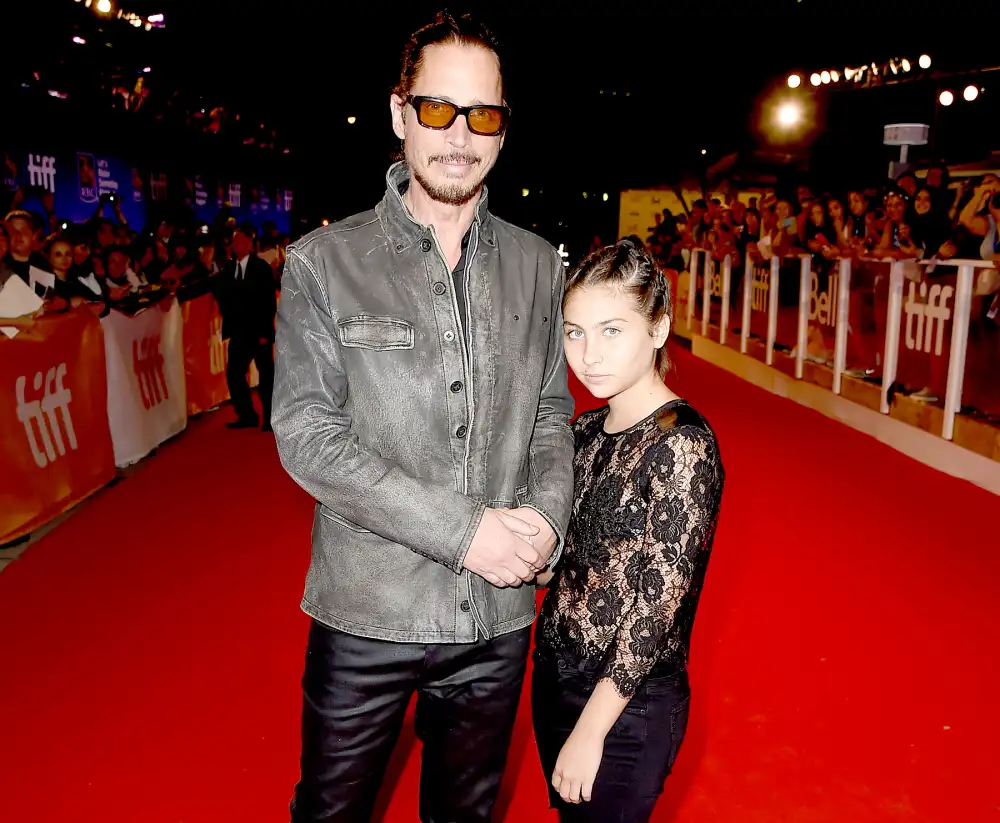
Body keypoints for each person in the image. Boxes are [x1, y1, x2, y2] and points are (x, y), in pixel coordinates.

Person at [271, 11, 575, 823]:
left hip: (497, 614)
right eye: (438, 110)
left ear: (504, 131)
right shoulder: (321, 265)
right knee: (330, 811)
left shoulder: (540, 264)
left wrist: (545, 520)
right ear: (400, 113)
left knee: (466, 815)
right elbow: (307, 435)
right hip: (365, 611)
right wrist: (465, 529)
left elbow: (551, 409)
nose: (459, 137)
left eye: (483, 117)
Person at [532, 236, 725, 823]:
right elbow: (567, 566)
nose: (588, 355)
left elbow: (654, 612)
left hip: (627, 702)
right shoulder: (585, 431)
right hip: (554, 678)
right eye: (575, 332)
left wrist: (591, 732)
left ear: (660, 327)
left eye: (611, 330)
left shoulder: (682, 445)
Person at [215, 222, 276, 430]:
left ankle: (271, 419)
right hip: (238, 333)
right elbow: (215, 288)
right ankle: (246, 415)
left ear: (250, 243)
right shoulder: (228, 268)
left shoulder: (261, 268)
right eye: (235, 241)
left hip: (259, 333)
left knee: (266, 377)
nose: (238, 244)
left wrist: (266, 333)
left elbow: (269, 302)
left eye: (242, 240)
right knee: (234, 374)